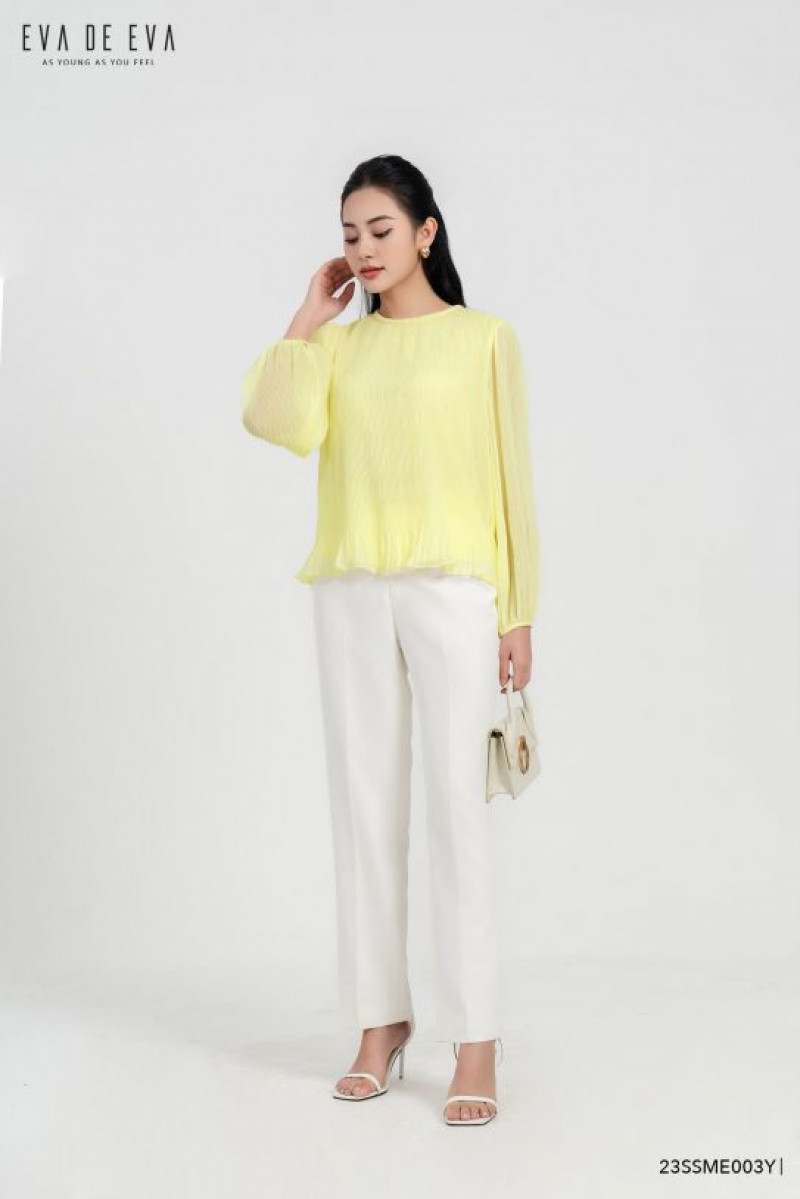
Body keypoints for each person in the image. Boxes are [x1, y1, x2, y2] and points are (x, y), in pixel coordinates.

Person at [241, 154, 541, 1126]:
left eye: (379, 229)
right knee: (364, 806)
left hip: (455, 589)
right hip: (350, 589)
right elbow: (272, 420)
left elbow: (512, 480)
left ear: (425, 232)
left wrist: (517, 611)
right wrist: (306, 318)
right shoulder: (338, 350)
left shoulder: (483, 339)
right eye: (349, 234)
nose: (363, 248)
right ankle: (380, 1021)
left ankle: (475, 1038)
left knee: (457, 809)